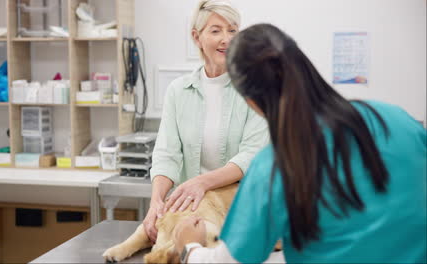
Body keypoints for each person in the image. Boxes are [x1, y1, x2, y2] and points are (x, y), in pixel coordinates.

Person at [173, 23, 427, 263]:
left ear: (249, 100)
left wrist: (189, 248)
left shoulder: (276, 166)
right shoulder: (396, 119)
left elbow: (231, 261)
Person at [144, 1, 269, 244]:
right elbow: (166, 154)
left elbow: (251, 156)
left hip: (240, 214)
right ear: (197, 37)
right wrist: (155, 202)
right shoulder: (178, 91)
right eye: (216, 30)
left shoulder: (255, 89)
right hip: (192, 214)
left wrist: (200, 183)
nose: (226, 39)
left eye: (233, 30)